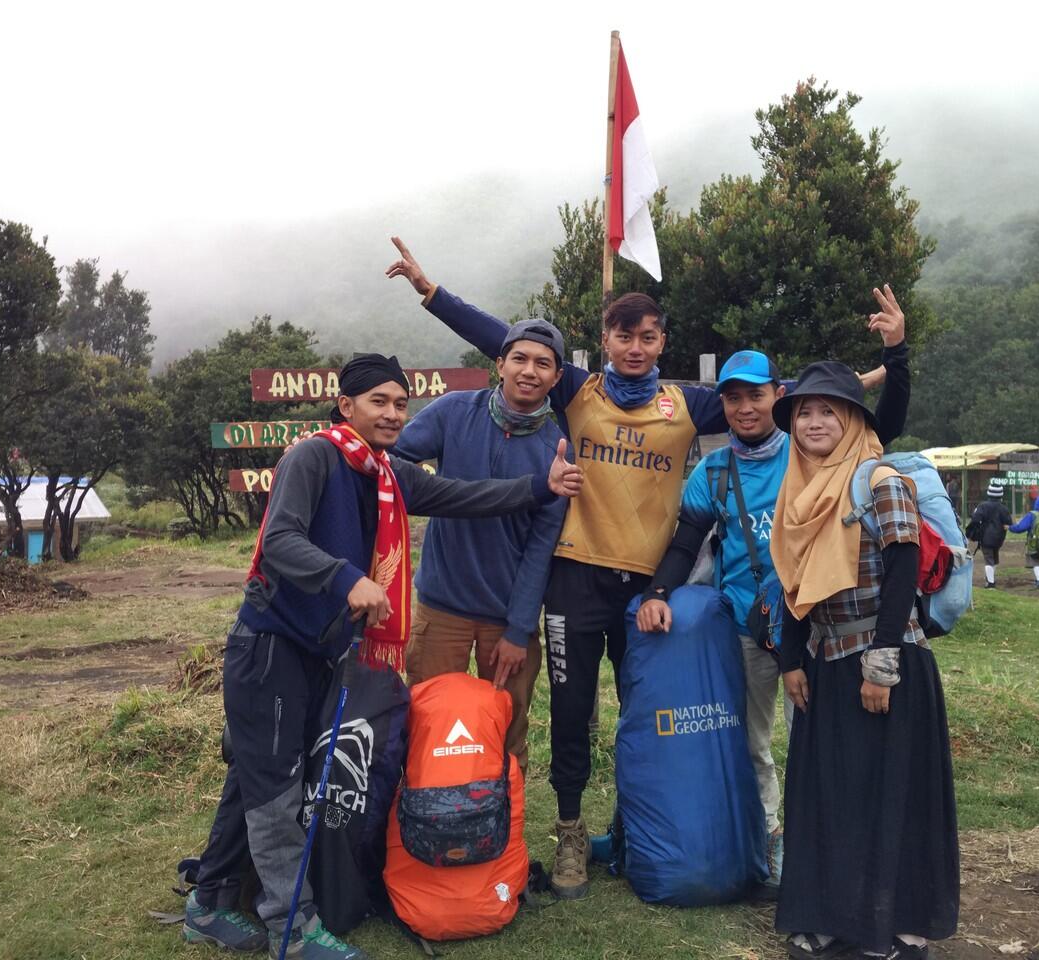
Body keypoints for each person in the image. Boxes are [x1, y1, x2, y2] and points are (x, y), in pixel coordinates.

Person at [385, 235, 901, 898]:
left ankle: (635, 828)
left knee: (646, 714)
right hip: (574, 579)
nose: (635, 347)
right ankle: (571, 833)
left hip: (650, 589)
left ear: (662, 342)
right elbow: (504, 343)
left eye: (648, 337)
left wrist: (867, 375)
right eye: (623, 336)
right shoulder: (577, 388)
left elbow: (778, 395)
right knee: (571, 716)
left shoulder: (689, 402)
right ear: (605, 340)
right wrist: (432, 294)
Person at [185, 354, 582, 959]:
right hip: (270, 646)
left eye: (401, 403)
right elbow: (280, 538)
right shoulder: (314, 456)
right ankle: (292, 930)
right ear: (347, 407)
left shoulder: (386, 473)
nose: (394, 413)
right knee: (275, 790)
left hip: (319, 651)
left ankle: (209, 899)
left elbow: (461, 494)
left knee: (257, 776)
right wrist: (347, 578)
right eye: (379, 402)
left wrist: (539, 487)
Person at [632, 289, 910, 897]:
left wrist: (897, 354)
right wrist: (658, 591)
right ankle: (773, 842)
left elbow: (882, 427)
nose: (743, 407)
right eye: (731, 398)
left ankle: (828, 849)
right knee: (755, 744)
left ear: (776, 397)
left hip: (824, 625)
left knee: (820, 744)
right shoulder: (713, 471)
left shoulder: (812, 451)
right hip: (754, 631)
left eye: (754, 395)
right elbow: (686, 540)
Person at [772, 362, 959, 960]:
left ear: (855, 420)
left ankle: (897, 928)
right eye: (805, 411)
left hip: (887, 659)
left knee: (892, 794)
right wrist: (791, 660)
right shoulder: (798, 491)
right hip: (825, 663)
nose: (815, 422)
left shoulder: (878, 479)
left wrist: (882, 665)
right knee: (829, 794)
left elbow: (903, 569)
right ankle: (831, 918)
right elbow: (796, 585)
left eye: (831, 410)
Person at [391, 319, 570, 770]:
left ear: (557, 377)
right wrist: (426, 492)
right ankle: (420, 827)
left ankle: (504, 832)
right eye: (520, 359)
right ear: (499, 365)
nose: (530, 371)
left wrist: (517, 630)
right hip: (441, 608)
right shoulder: (453, 412)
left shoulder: (558, 449)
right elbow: (391, 456)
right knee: (425, 721)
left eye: (543, 364)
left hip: (506, 621)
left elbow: (539, 550)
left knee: (506, 732)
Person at [1008, 488, 1039, 590]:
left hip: (1034, 545)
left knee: (1035, 562)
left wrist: (1010, 527)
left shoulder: (1032, 515)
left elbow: (1020, 528)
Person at [967, 478, 1013, 588]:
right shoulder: (1003, 508)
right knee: (994, 558)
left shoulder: (983, 506)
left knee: (988, 559)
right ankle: (990, 578)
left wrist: (971, 532)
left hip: (985, 537)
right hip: (999, 538)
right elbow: (1008, 523)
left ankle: (991, 583)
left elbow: (975, 519)